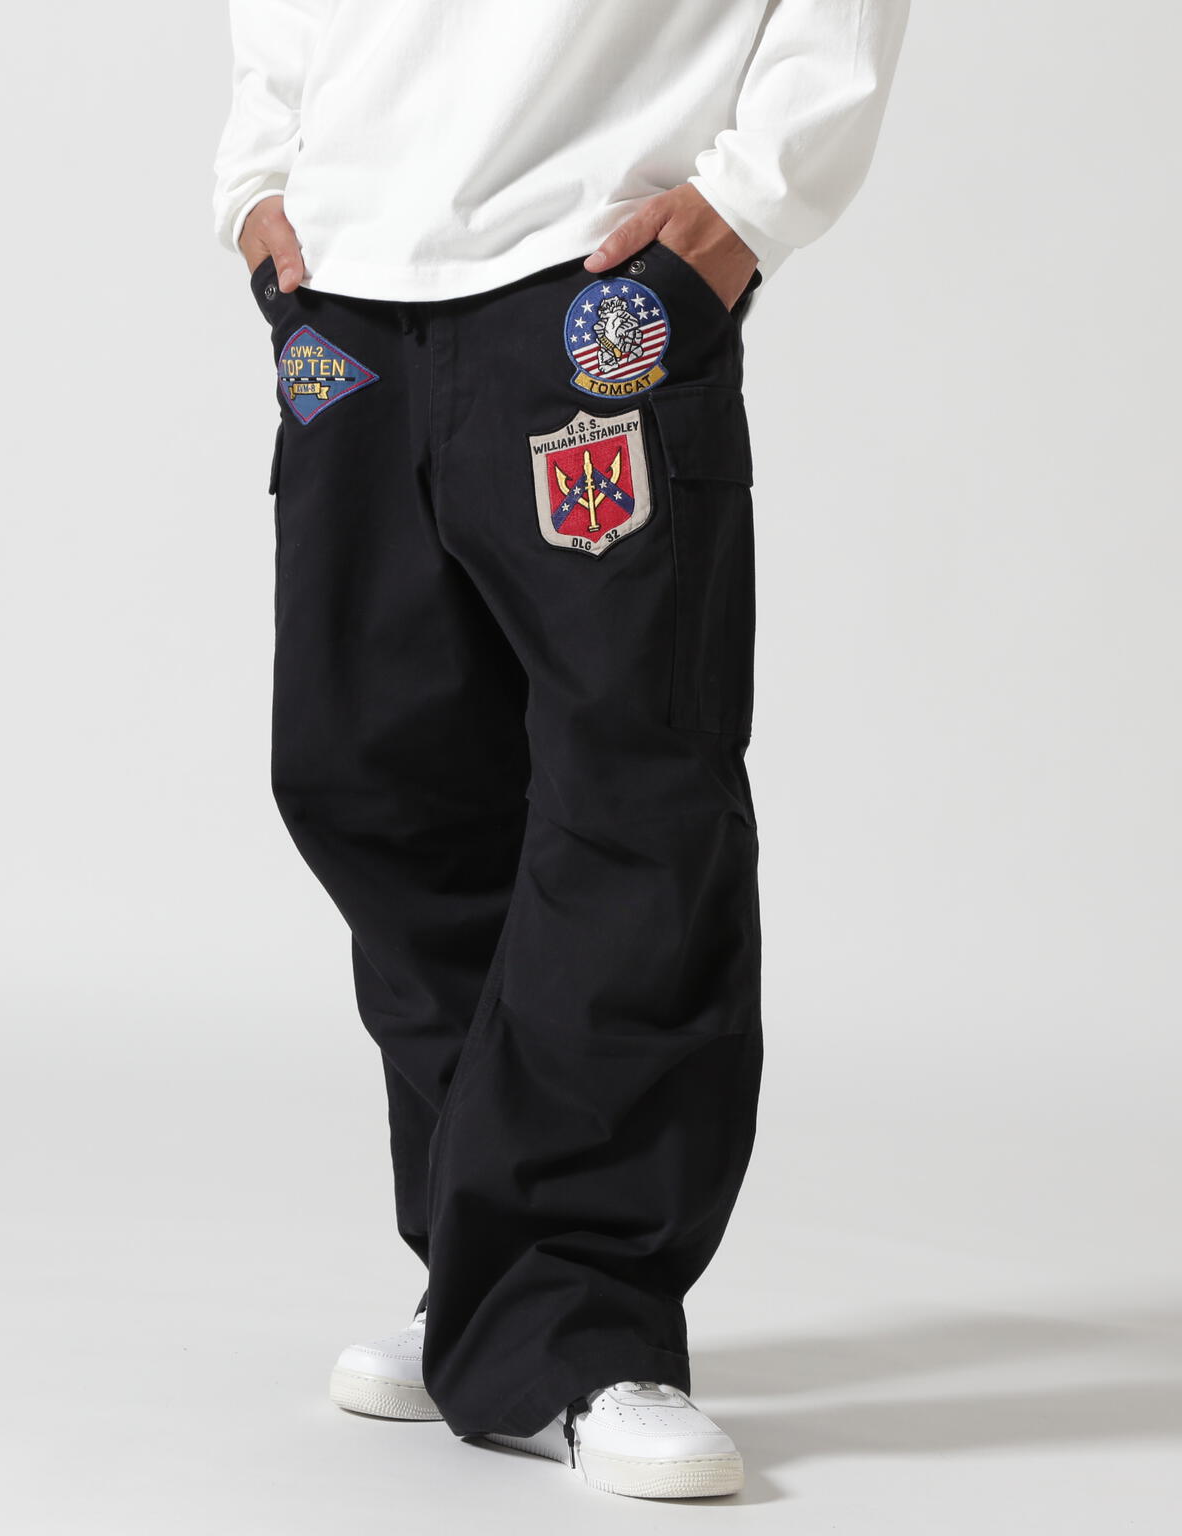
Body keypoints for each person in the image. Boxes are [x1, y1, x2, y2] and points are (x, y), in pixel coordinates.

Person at [213, 0, 908, 1501]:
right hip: (346, 292)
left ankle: (581, 1325)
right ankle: (484, 1278)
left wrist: (748, 204)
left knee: (629, 802)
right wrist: (259, 171)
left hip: (593, 279)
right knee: (375, 780)